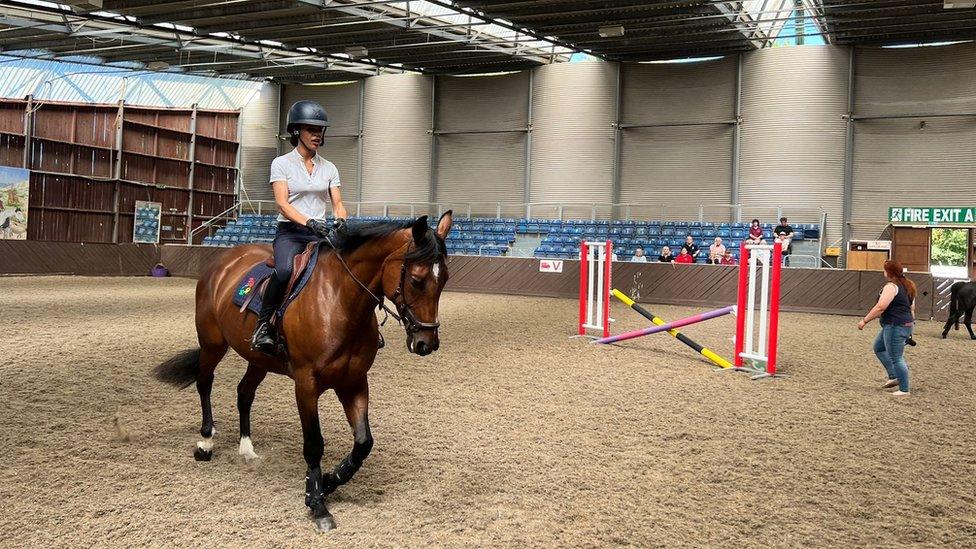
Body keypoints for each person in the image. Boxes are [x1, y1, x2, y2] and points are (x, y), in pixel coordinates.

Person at [251, 100, 347, 355]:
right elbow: (282, 204)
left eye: (320, 130)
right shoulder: (281, 164)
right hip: (291, 232)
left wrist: (340, 219)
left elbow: (338, 202)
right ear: (296, 131)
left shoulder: (330, 168)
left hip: (322, 233)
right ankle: (264, 325)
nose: (318, 135)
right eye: (311, 129)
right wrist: (309, 221)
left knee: (350, 269)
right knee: (283, 271)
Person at [857, 260, 915, 396]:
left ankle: (904, 389)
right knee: (879, 347)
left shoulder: (891, 287)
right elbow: (912, 308)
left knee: (896, 357)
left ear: (888, 272)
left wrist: (864, 321)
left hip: (895, 325)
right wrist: (911, 326)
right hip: (904, 324)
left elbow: (881, 307)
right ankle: (895, 375)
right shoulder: (909, 285)